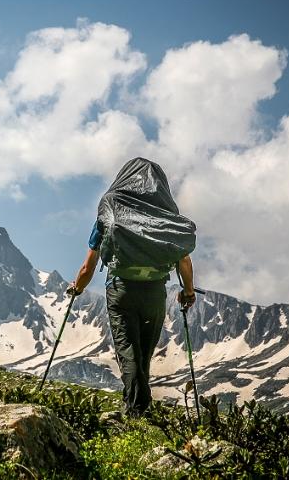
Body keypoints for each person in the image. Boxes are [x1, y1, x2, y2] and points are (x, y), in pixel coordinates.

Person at [67, 160, 196, 418]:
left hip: (121, 289)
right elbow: (184, 260)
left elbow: (88, 266)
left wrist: (77, 288)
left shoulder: (111, 206)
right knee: (144, 354)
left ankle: (136, 411)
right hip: (155, 292)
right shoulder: (165, 212)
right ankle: (137, 409)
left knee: (129, 352)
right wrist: (188, 292)